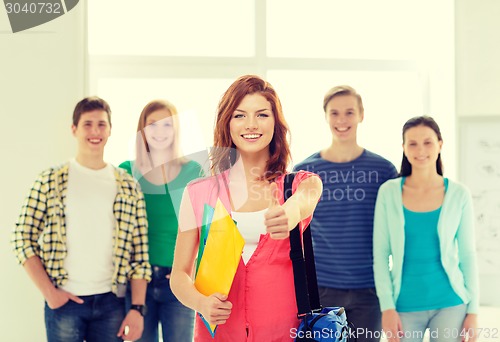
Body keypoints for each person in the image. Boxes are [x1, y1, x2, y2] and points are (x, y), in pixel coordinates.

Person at [170, 75, 323, 341]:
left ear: (275, 123)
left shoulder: (299, 185)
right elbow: (179, 275)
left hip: (283, 333)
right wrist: (201, 304)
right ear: (226, 122)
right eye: (240, 115)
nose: (251, 124)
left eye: (262, 114)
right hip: (219, 334)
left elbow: (306, 199)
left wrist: (290, 213)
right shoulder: (197, 192)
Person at [11, 97, 151, 342]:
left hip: (112, 302)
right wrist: (50, 293)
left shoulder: (128, 185)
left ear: (109, 130)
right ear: (74, 129)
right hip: (65, 302)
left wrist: (137, 309)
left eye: (101, 124)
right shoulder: (50, 180)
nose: (95, 131)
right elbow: (22, 237)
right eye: (87, 124)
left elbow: (139, 254)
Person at [293, 85, 398, 341]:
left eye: (349, 112)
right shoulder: (304, 171)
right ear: (326, 116)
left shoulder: (383, 170)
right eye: (334, 113)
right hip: (321, 290)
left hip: (369, 291)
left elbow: (397, 229)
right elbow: (293, 234)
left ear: (361, 115)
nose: (341, 120)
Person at [373, 116, 479, 342]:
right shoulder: (388, 192)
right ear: (403, 148)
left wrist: (474, 311)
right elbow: (381, 255)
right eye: (412, 143)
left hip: (451, 303)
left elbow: (468, 255)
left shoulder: (459, 194)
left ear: (440, 144)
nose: (420, 150)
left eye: (428, 142)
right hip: (404, 306)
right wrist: (387, 308)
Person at [119, 100, 204, 341]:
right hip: (138, 282)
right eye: (152, 125)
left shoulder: (193, 171)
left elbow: (205, 227)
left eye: (167, 125)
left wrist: (194, 268)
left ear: (176, 130)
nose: (159, 131)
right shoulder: (127, 171)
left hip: (178, 281)